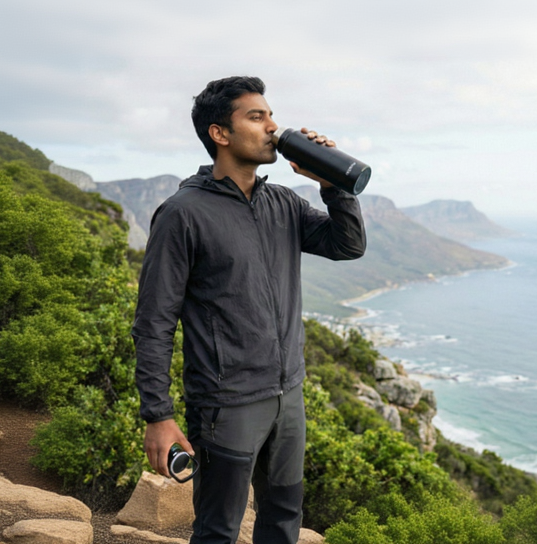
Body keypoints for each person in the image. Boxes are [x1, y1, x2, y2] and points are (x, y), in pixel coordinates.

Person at [132, 76, 366, 543]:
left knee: (283, 520)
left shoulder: (283, 202)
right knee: (218, 529)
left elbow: (348, 245)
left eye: (270, 115)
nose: (273, 126)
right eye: (257, 117)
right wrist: (158, 416)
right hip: (226, 404)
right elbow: (154, 323)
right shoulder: (183, 213)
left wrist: (332, 184)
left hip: (288, 396)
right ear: (220, 134)